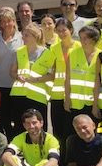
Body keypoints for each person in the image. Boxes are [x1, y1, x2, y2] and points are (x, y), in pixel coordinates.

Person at [30, 17, 74, 153]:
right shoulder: (53, 49)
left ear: (71, 30)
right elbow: (47, 69)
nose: (61, 33)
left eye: (64, 30)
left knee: (72, 129)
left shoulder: (79, 47)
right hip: (56, 95)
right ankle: (60, 158)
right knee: (58, 129)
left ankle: (72, 158)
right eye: (58, 31)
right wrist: (34, 79)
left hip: (75, 95)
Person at [63, 25, 102, 132]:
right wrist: (67, 99)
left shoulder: (101, 55)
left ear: (93, 39)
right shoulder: (73, 54)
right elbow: (67, 79)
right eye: (81, 37)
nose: (82, 40)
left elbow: (99, 82)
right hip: (75, 103)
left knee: (92, 133)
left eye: (85, 38)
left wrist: (95, 105)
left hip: (92, 103)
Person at [0, 8, 21, 135]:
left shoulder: (22, 38)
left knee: (16, 117)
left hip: (16, 84)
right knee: (3, 117)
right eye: (3, 22)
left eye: (9, 21)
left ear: (14, 21)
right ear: (0, 24)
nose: (6, 24)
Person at [10, 23, 48, 132]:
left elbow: (52, 75)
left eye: (26, 35)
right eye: (23, 35)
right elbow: (12, 71)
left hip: (38, 97)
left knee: (38, 128)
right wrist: (17, 76)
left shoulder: (47, 53)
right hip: (19, 95)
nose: (23, 38)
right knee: (19, 127)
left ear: (34, 36)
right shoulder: (19, 51)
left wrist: (36, 80)